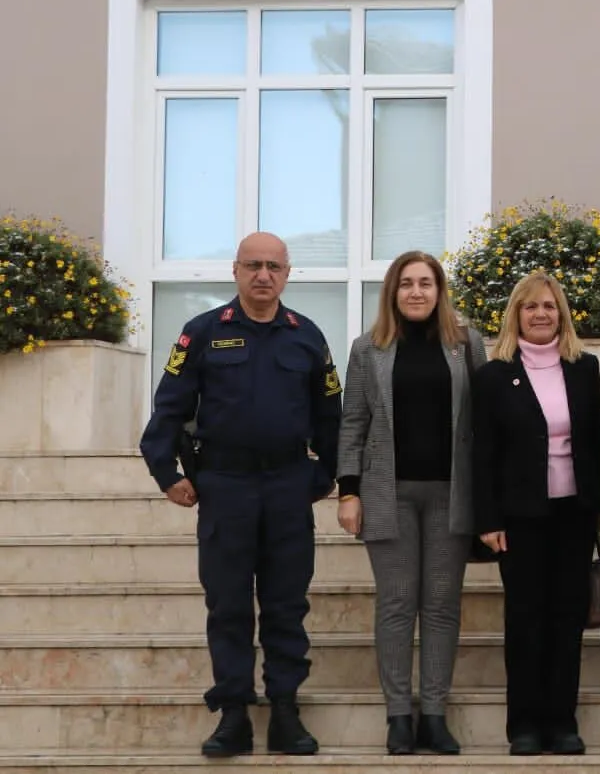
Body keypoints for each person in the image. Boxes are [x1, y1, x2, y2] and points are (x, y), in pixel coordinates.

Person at [138, 232, 341, 758]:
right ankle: (232, 714)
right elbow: (169, 409)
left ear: (288, 274)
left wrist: (324, 477)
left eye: (274, 266)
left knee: (286, 602)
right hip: (225, 486)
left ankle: (285, 712)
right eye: (253, 265)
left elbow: (330, 418)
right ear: (235, 270)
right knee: (228, 603)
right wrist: (166, 473)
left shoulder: (307, 336)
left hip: (287, 485)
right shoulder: (202, 333)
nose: (263, 275)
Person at [335, 251, 487, 756]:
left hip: (451, 494)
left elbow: (484, 422)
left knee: (441, 607)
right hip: (388, 493)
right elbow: (353, 422)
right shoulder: (368, 348)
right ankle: (400, 716)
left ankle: (435, 717)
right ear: (392, 292)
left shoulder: (466, 344)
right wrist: (349, 490)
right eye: (406, 284)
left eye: (426, 283)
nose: (416, 292)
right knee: (398, 605)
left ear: (440, 290)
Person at [472, 271, 600, 757]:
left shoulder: (584, 367)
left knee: (567, 619)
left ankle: (561, 723)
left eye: (549, 306)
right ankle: (525, 725)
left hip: (575, 511)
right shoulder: (492, 375)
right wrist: (488, 519)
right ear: (516, 315)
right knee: (526, 620)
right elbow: (481, 452)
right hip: (519, 516)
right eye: (531, 307)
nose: (541, 314)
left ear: (561, 313)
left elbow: (595, 439)